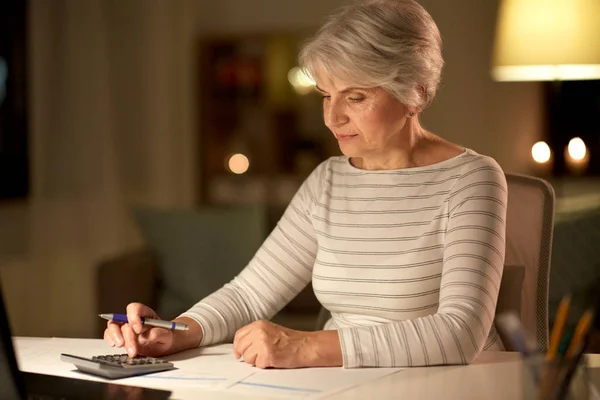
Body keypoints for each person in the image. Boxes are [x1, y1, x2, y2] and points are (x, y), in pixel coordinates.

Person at [104, 0, 507, 369]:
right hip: (342, 385)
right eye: (325, 94)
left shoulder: (471, 179)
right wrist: (175, 332)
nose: (332, 118)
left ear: (415, 94)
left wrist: (304, 346)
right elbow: (250, 294)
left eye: (356, 97)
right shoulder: (328, 180)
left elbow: (459, 332)